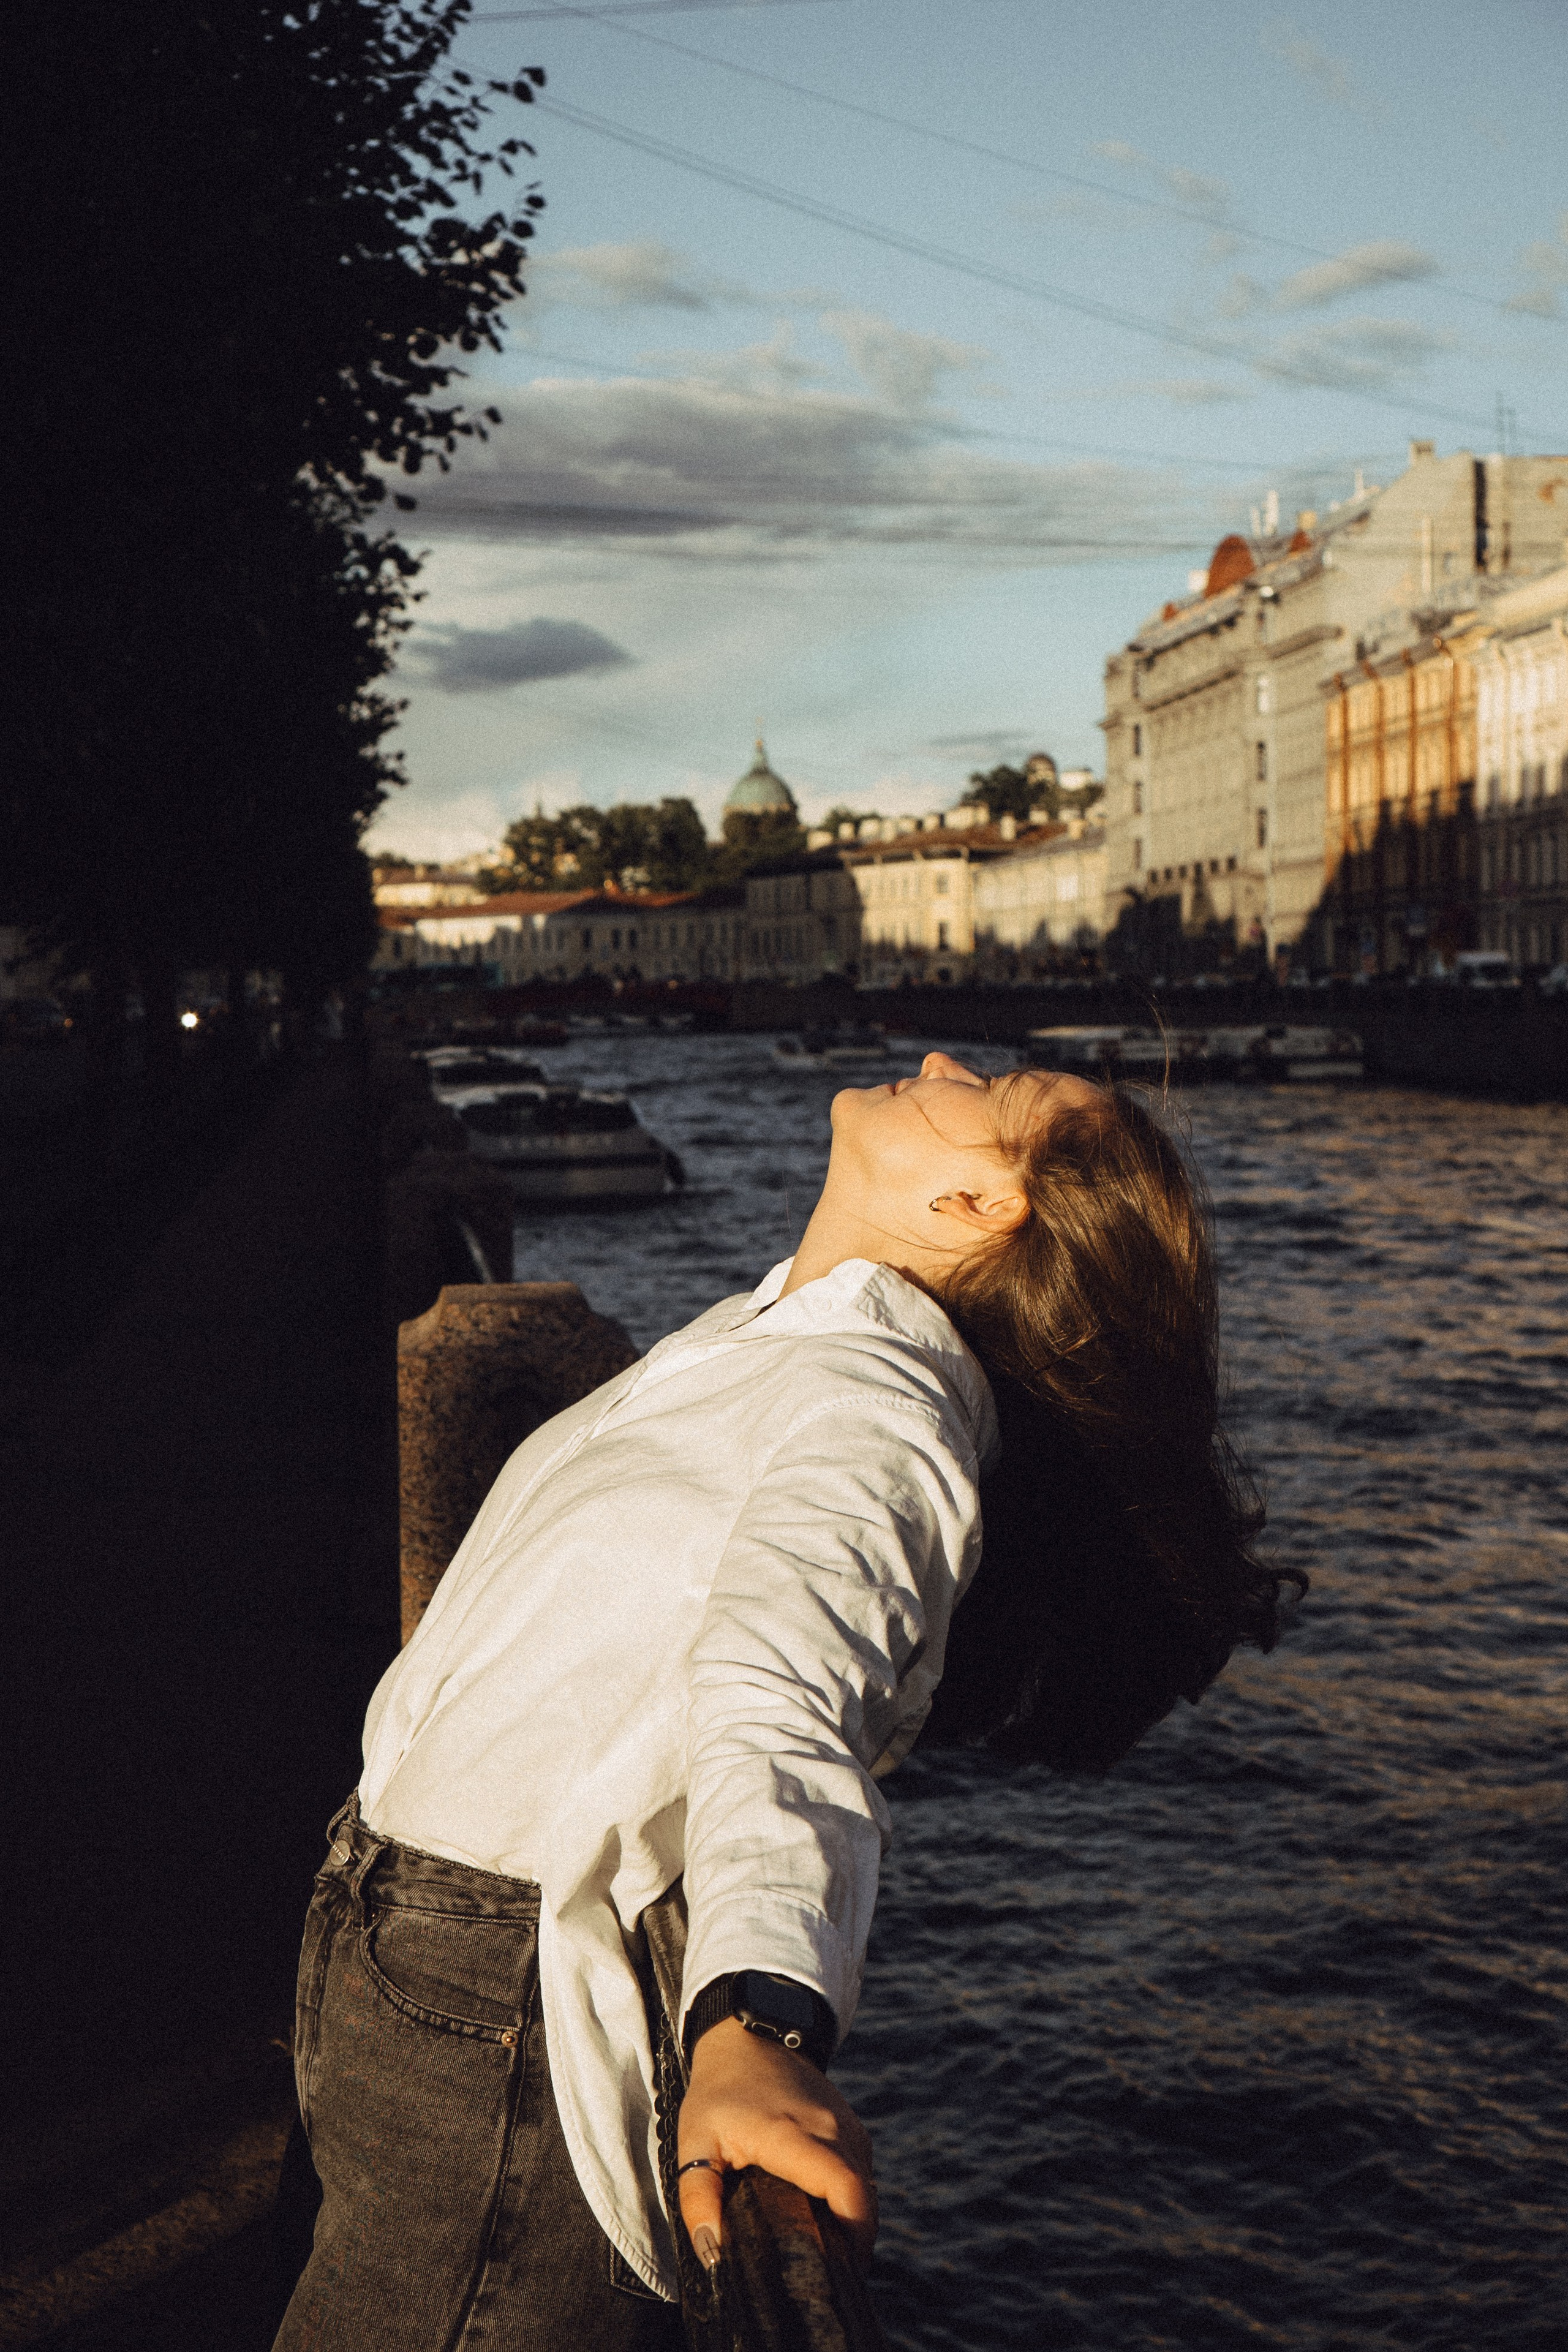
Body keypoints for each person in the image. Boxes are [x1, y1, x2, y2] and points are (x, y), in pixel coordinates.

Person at [274, 1052, 1296, 2350]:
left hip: (500, 2004)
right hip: (410, 1944)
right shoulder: (784, 1333)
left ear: (978, 1212)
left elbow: (785, 1700)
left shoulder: (879, 1414)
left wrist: (756, 2019)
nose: (937, 1062)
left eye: (986, 1090)